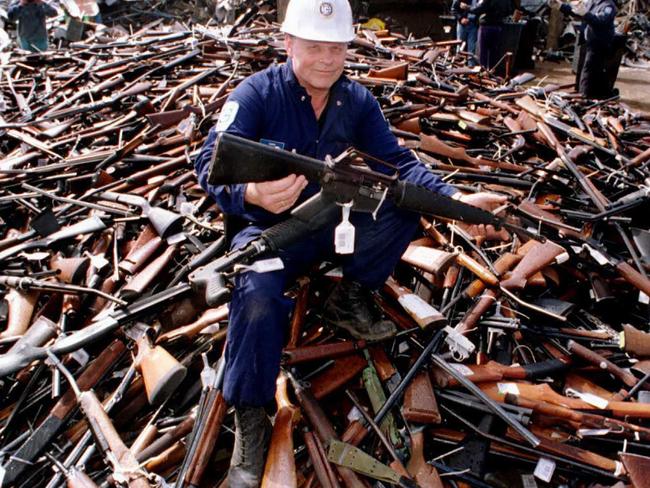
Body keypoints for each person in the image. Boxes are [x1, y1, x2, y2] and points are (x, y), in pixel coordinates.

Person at [194, 0, 505, 486]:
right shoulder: (256, 94)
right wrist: (249, 192)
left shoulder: (356, 101)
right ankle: (251, 418)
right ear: (289, 43)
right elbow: (209, 159)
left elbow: (400, 166)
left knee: (404, 204)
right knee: (255, 301)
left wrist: (457, 197)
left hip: (332, 224)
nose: (327, 59)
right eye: (315, 46)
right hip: (270, 234)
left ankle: (352, 294)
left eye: (336, 47)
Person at [560, 0, 616, 99]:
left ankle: (584, 94)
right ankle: (602, 92)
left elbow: (601, 21)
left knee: (589, 68)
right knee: (588, 68)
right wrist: (561, 7)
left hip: (600, 42)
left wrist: (586, 13)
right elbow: (577, 12)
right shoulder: (592, 2)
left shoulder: (608, 5)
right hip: (589, 39)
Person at [460, 0, 515, 69]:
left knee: (483, 53)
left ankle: (483, 73)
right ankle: (492, 73)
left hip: (486, 27)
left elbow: (478, 9)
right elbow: (509, 11)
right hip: (498, 27)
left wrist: (467, 7)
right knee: (494, 53)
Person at [451, 0, 479, 66]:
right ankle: (457, 68)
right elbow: (453, 9)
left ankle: (471, 69)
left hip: (473, 24)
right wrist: (460, 18)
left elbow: (481, 9)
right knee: (460, 47)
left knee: (471, 49)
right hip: (462, 25)